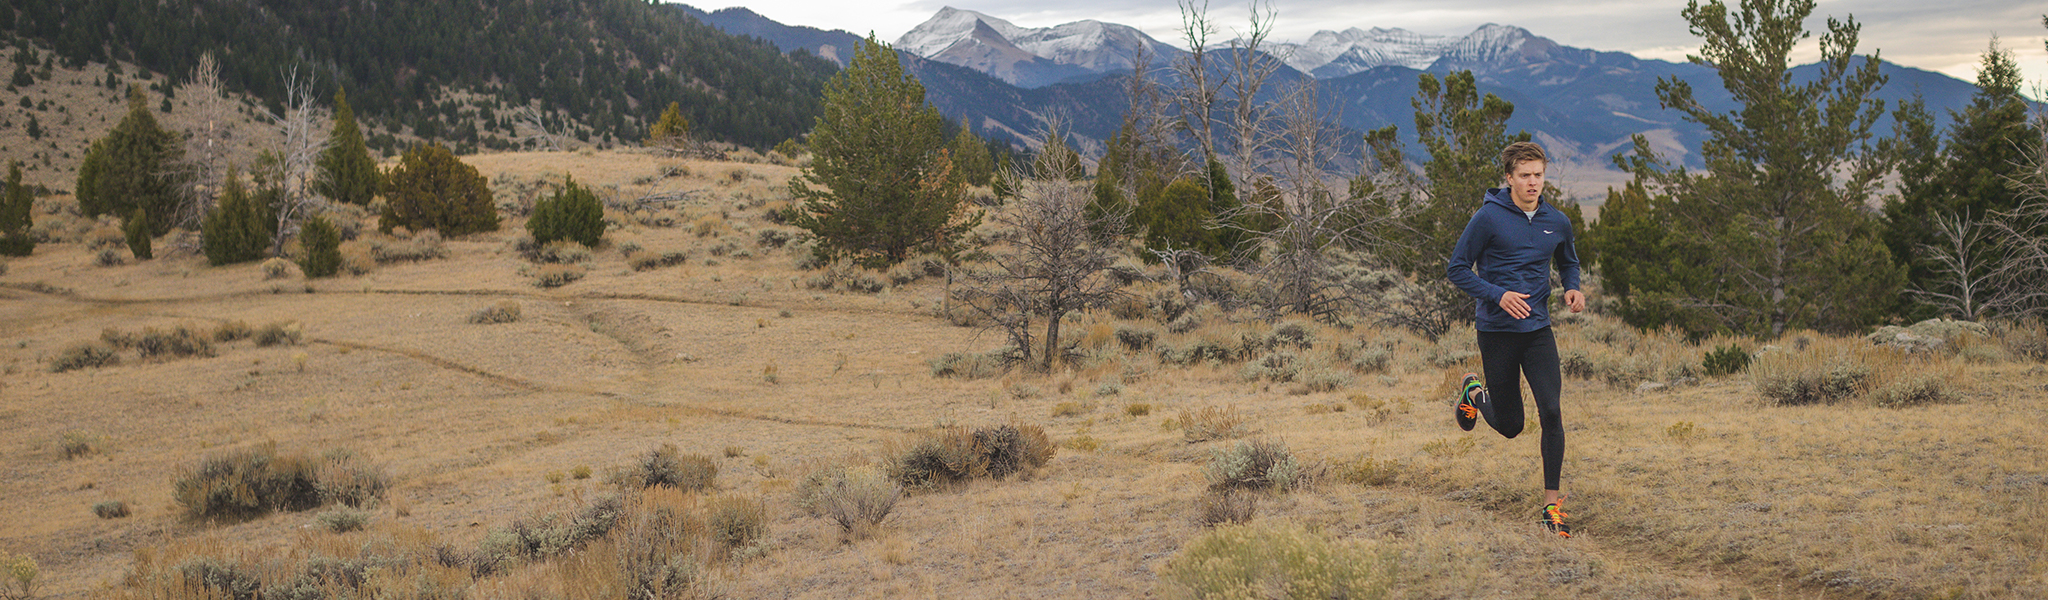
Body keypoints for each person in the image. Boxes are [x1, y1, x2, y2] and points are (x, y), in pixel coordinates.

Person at [1445, 141, 1584, 538]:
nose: (1533, 182)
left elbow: (1568, 261)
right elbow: (1456, 268)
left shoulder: (1556, 221)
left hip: (1538, 330)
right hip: (1497, 331)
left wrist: (1572, 287)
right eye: (1524, 175)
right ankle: (1474, 393)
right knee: (1510, 426)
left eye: (1538, 175)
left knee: (1552, 412)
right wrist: (1497, 294)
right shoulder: (1488, 218)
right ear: (1509, 178)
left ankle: (1551, 507)